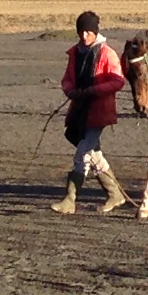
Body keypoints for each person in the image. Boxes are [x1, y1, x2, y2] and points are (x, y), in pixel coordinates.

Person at [54, 12, 127, 215]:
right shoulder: (76, 53)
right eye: (81, 31)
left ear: (95, 31)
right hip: (80, 110)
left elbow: (118, 80)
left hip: (98, 111)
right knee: (94, 154)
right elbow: (67, 78)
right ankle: (115, 194)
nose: (84, 35)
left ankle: (70, 200)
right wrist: (70, 91)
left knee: (82, 154)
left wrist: (94, 90)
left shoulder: (106, 53)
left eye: (88, 31)